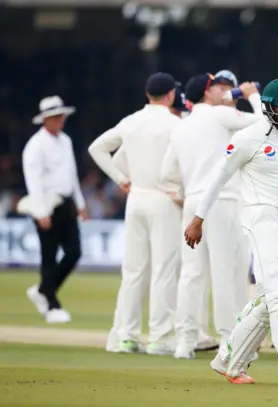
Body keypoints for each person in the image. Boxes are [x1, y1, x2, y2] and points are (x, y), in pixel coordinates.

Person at [184, 78, 278, 387]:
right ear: (268, 107)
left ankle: (229, 362)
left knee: (267, 298)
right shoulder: (248, 137)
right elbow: (218, 178)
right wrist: (198, 219)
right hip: (260, 217)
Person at [162, 72, 262, 359]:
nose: (225, 92)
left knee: (192, 273)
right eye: (218, 88)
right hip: (222, 200)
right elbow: (265, 123)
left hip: (194, 201)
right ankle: (231, 341)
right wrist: (252, 94)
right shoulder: (219, 114)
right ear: (208, 92)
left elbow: (166, 174)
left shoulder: (181, 126)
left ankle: (184, 341)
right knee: (226, 272)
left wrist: (188, 191)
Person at [89, 72, 182, 355]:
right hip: (165, 200)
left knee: (133, 272)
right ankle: (160, 338)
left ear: (147, 94)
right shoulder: (175, 124)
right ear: (170, 96)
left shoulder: (131, 122)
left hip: (136, 199)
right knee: (164, 271)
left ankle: (126, 336)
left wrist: (121, 179)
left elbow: (97, 148)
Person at [22, 95, 87, 324]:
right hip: (47, 205)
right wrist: (41, 212)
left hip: (66, 202)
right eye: (55, 117)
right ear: (45, 119)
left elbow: (72, 176)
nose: (60, 120)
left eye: (61, 116)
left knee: (74, 252)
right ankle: (50, 303)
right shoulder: (35, 146)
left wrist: (80, 203)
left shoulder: (65, 141)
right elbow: (34, 181)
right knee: (48, 255)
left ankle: (42, 290)